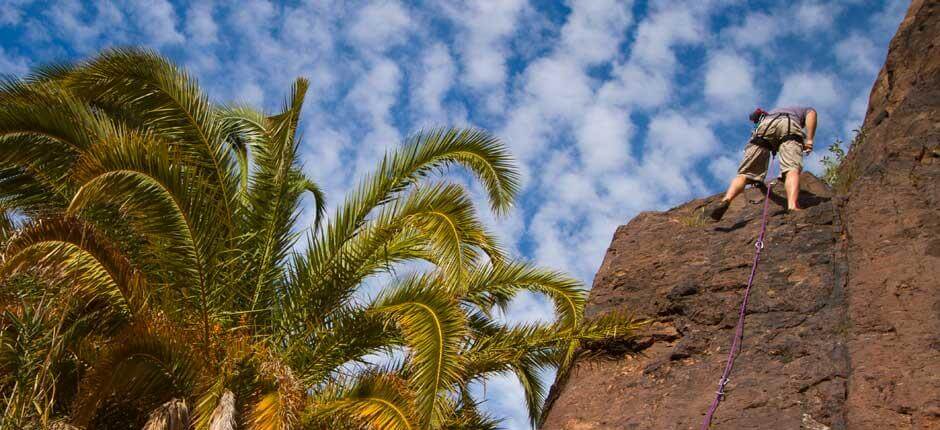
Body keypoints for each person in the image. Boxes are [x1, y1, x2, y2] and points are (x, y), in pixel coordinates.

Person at [704, 106, 817, 221]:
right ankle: (793, 205)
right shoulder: (802, 110)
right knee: (792, 169)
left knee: (744, 174)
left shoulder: (769, 114)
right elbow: (811, 113)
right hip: (788, 123)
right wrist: (809, 139)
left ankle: (726, 200)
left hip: (765, 126)